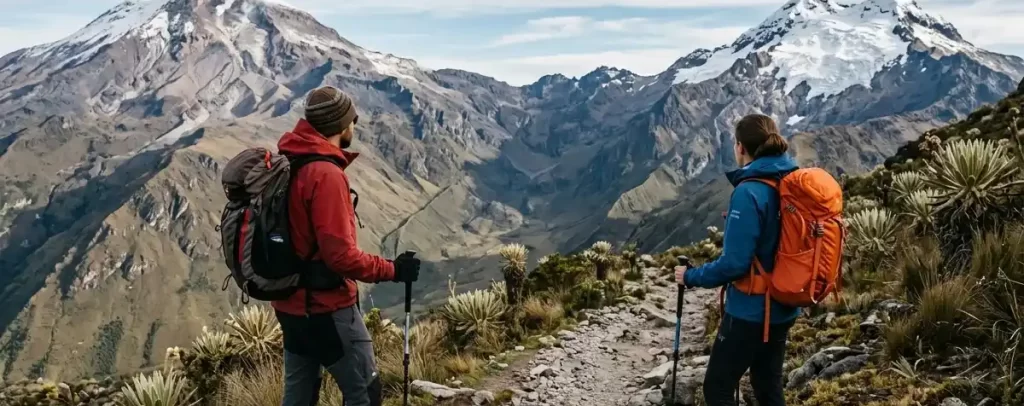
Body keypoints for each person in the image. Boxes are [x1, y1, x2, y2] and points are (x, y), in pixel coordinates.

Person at [272, 85, 421, 406]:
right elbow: (340, 257)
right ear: (342, 126)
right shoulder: (325, 174)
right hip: (327, 310)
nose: (355, 126)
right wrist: (395, 270)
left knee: (298, 397)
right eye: (353, 120)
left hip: (289, 307)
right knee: (364, 394)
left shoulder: (288, 162)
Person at [674, 113, 800, 406]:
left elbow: (734, 264)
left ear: (740, 147)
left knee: (718, 387)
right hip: (784, 305)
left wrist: (690, 276)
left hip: (750, 312)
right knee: (767, 385)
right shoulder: (790, 180)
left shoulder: (749, 191)